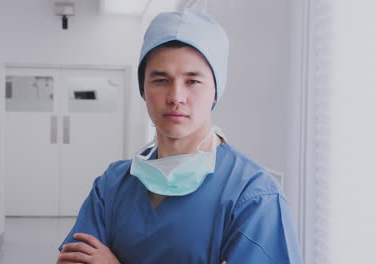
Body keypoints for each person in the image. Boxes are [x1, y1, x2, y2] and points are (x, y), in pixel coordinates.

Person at [56, 9, 302, 264]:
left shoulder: (253, 195)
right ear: (143, 90)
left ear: (216, 92)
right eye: (161, 80)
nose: (175, 96)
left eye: (192, 81)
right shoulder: (111, 186)